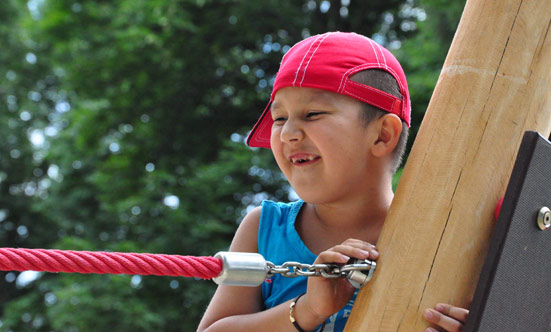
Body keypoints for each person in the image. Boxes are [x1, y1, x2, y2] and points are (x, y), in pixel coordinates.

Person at [197, 31, 468, 332]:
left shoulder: (443, 236)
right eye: (279, 118)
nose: (288, 133)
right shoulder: (264, 229)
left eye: (312, 114)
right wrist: (308, 310)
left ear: (383, 135)